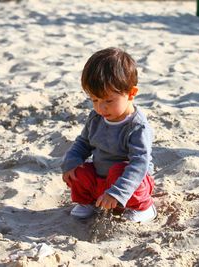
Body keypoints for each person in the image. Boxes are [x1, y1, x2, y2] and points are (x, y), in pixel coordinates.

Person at [61, 47, 156, 222]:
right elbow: (83, 143)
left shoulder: (136, 127)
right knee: (79, 172)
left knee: (119, 171)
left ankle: (144, 207)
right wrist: (71, 162)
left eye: (108, 101)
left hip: (130, 183)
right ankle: (90, 203)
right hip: (101, 179)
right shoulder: (96, 118)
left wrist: (118, 192)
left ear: (131, 93)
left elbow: (139, 164)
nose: (100, 108)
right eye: (94, 100)